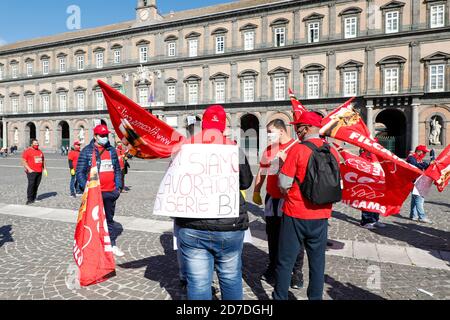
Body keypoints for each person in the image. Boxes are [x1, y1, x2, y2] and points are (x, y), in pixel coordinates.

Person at [175, 105, 253, 300]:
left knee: (199, 282)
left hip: (192, 224)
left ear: (204, 125)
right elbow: (246, 182)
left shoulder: (186, 148)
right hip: (229, 224)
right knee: (231, 277)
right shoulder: (233, 148)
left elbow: (174, 182)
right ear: (224, 126)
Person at [273, 111, 340, 301]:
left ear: (307, 128)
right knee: (317, 263)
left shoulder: (298, 149)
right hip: (321, 215)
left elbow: (284, 183)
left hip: (295, 214)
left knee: (285, 261)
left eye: (298, 127)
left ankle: (280, 297)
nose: (297, 130)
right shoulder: (331, 149)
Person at [252, 119, 305, 289]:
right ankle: (273, 266)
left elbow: (301, 174)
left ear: (281, 131)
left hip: (290, 199)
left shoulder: (297, 147)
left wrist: (284, 162)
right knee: (273, 235)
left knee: (293, 237)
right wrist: (256, 190)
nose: (268, 136)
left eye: (270, 132)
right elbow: (262, 171)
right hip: (272, 199)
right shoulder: (270, 149)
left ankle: (296, 272)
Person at [76, 125, 124, 256]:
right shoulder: (86, 151)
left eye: (106, 135)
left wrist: (118, 187)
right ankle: (94, 245)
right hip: (95, 193)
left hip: (110, 192)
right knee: (94, 220)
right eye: (102, 136)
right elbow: (80, 172)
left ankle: (111, 244)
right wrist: (86, 187)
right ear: (95, 136)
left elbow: (118, 170)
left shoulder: (112, 151)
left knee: (109, 220)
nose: (104, 138)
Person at [358, 147, 386, 230]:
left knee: (376, 203)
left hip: (377, 183)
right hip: (368, 183)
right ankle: (366, 221)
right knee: (367, 202)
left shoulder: (377, 156)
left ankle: (375, 220)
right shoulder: (363, 155)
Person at [406, 145, 434, 223]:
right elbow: (415, 166)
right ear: (418, 151)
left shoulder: (419, 159)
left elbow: (427, 166)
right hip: (413, 181)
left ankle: (413, 215)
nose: (424, 154)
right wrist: (425, 165)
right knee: (419, 199)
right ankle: (422, 217)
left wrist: (432, 159)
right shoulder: (411, 158)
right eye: (424, 152)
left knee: (415, 198)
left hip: (417, 181)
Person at [22, 139, 47, 205]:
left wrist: (44, 169)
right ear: (31, 144)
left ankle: (34, 198)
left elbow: (43, 161)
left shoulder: (40, 151)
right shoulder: (27, 151)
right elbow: (23, 161)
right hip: (31, 171)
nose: (37, 145)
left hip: (39, 171)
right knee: (31, 185)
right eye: (35, 143)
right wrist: (29, 169)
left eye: (37, 143)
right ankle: (29, 199)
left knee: (36, 185)